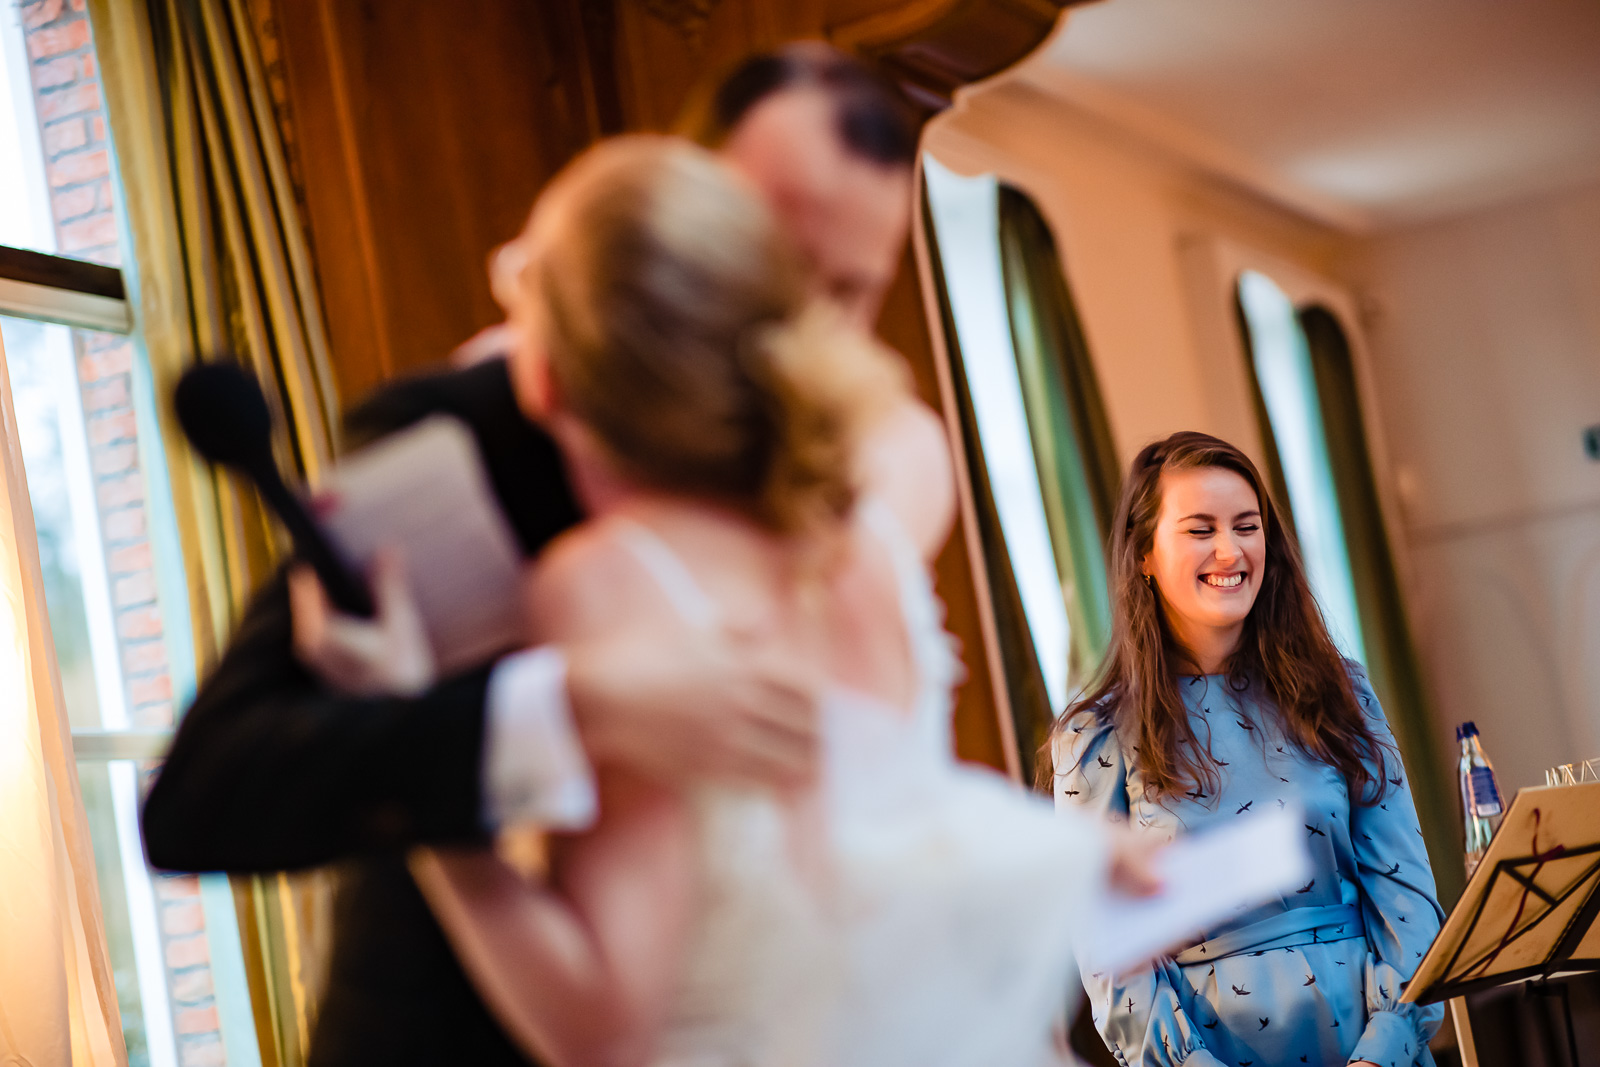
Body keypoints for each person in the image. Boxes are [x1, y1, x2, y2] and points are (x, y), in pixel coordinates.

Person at [139, 43, 932, 1067]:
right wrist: (565, 701)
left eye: (848, 292)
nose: (798, 330)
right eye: (770, 259)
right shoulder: (471, 433)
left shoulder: (871, 460)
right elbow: (208, 790)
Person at [407, 133, 1159, 1067]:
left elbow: (604, 1027)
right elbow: (887, 826)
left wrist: (435, 819)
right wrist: (1071, 855)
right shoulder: (861, 544)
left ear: (541, 372)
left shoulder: (611, 581)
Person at [1053, 431, 1445, 1067]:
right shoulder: (1094, 734)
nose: (1230, 551)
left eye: (1247, 525)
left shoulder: (1341, 692)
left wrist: (1386, 1048)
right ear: (1144, 555)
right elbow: (1109, 954)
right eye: (1200, 529)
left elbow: (1408, 895)